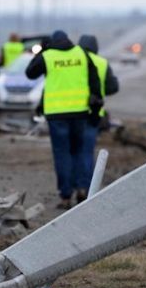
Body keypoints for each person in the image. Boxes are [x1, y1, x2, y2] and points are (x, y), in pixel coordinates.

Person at [25, 30, 102, 209]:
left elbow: (30, 73)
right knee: (79, 151)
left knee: (62, 154)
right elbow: (95, 79)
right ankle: (82, 187)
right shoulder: (81, 53)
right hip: (80, 112)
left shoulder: (49, 56)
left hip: (57, 114)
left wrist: (42, 51)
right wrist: (96, 103)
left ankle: (66, 195)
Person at [78, 35, 119, 200]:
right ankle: (86, 189)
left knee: (73, 152)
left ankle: (73, 187)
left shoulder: (74, 60)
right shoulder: (102, 62)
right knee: (87, 152)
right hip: (93, 114)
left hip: (74, 114)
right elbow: (113, 87)